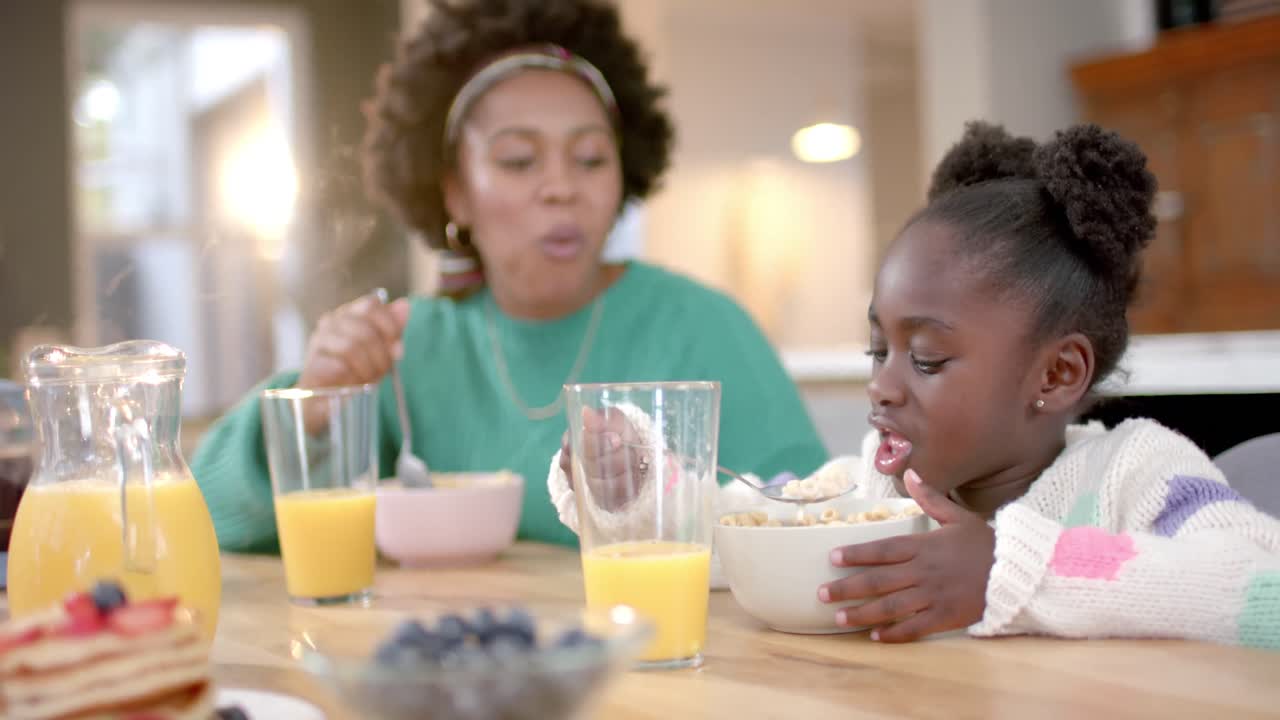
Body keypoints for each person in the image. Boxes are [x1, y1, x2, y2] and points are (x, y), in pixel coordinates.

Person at [553, 121, 1280, 649]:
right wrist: (630, 485)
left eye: (926, 359)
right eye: (879, 350)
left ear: (1056, 375)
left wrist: (1011, 570)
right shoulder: (877, 490)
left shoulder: (1134, 474)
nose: (883, 389)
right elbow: (734, 527)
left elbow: (1261, 589)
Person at [190, 0, 827, 552]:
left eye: (591, 158)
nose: (561, 188)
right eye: (520, 160)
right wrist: (315, 402)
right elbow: (211, 517)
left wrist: (656, 497)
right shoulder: (408, 345)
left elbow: (808, 517)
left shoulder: (701, 326)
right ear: (454, 193)